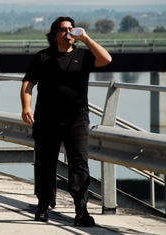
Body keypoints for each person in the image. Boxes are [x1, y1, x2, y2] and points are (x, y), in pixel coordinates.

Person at [20, 17, 112, 227]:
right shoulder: (43, 57)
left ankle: (81, 211)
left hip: (77, 120)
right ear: (55, 35)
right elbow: (28, 83)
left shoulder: (83, 55)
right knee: (45, 164)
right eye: (63, 29)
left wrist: (87, 38)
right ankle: (43, 206)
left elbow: (106, 59)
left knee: (79, 164)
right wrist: (26, 107)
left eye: (71, 28)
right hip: (46, 120)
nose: (68, 32)